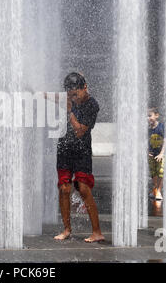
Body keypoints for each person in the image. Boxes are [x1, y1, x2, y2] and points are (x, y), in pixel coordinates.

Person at [51, 72, 104, 243]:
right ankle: (67, 229)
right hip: (64, 148)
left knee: (83, 188)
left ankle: (97, 232)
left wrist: (69, 112)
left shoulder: (92, 105)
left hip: (82, 150)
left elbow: (80, 131)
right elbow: (50, 97)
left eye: (75, 94)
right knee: (64, 188)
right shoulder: (67, 98)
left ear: (84, 88)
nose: (72, 98)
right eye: (69, 94)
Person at [148, 107, 165, 200]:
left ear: (157, 115)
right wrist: (147, 152)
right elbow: (145, 141)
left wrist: (162, 153)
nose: (148, 118)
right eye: (146, 116)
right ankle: (155, 189)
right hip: (151, 154)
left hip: (161, 155)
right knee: (153, 172)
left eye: (150, 116)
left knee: (161, 172)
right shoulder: (148, 129)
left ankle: (158, 190)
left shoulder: (161, 127)